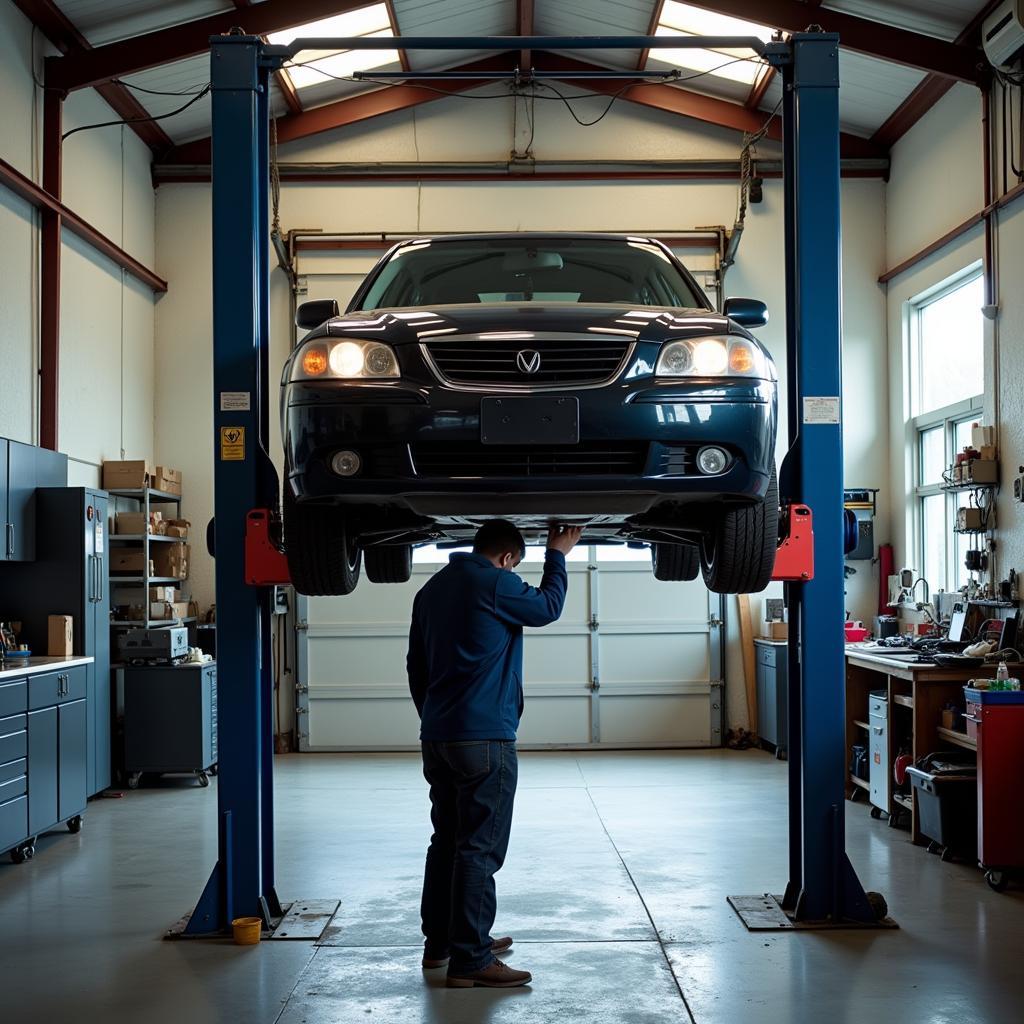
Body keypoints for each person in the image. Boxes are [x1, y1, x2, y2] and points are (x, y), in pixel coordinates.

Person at [407, 519, 584, 989]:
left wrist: (436, 716)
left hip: (439, 736)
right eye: (515, 566)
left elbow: (415, 665)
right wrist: (558, 553)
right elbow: (547, 607)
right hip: (484, 739)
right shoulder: (494, 583)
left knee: (446, 840)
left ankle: (442, 943)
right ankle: (471, 959)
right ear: (507, 558)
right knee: (479, 849)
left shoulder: (432, 590)